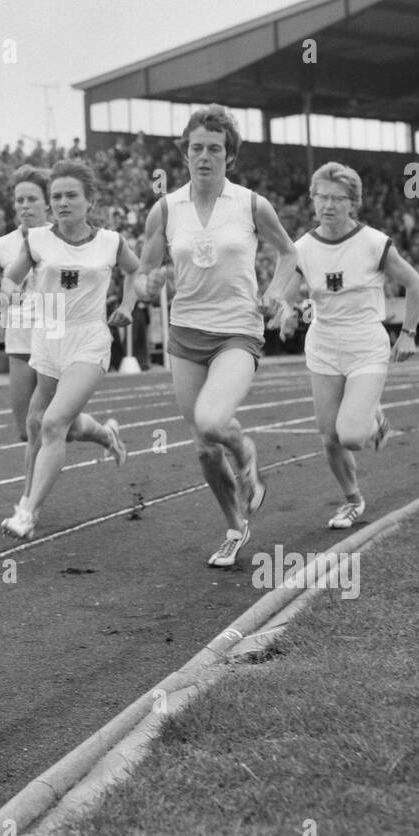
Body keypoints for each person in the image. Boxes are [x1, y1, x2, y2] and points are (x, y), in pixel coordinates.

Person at [135, 105, 299, 568]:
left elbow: (288, 254)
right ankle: (235, 527)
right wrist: (146, 285)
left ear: (230, 156)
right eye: (195, 149)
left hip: (237, 331)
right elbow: (145, 272)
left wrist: (273, 293)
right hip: (186, 333)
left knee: (211, 421)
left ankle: (245, 450)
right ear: (184, 154)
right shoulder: (165, 209)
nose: (204, 157)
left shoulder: (250, 204)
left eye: (214, 149)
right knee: (205, 450)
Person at [276, 162, 419, 531]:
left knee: (352, 436)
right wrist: (286, 313)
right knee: (329, 438)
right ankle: (352, 499)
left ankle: (373, 418)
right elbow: (287, 296)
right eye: (321, 197)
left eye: (337, 198)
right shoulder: (302, 248)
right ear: (312, 200)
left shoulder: (374, 242)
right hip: (324, 346)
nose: (327, 205)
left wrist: (408, 332)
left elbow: (414, 283)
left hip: (366, 345)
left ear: (352, 203)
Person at [0, 160, 137, 539]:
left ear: (89, 200)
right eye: (56, 196)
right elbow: (9, 279)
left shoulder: (112, 241)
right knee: (50, 421)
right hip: (48, 338)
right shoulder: (38, 240)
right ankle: (105, 434)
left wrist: (126, 306)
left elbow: (135, 271)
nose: (62, 202)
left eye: (71, 195)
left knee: (53, 423)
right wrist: (8, 296)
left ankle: (27, 512)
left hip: (89, 339)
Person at [0, 166, 121, 475]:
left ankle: (28, 505)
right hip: (20, 338)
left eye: (31, 199)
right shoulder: (2, 246)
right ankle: (102, 433)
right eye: (18, 201)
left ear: (47, 203)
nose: (24, 207)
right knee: (27, 429)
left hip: (57, 336)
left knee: (48, 422)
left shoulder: (63, 239)